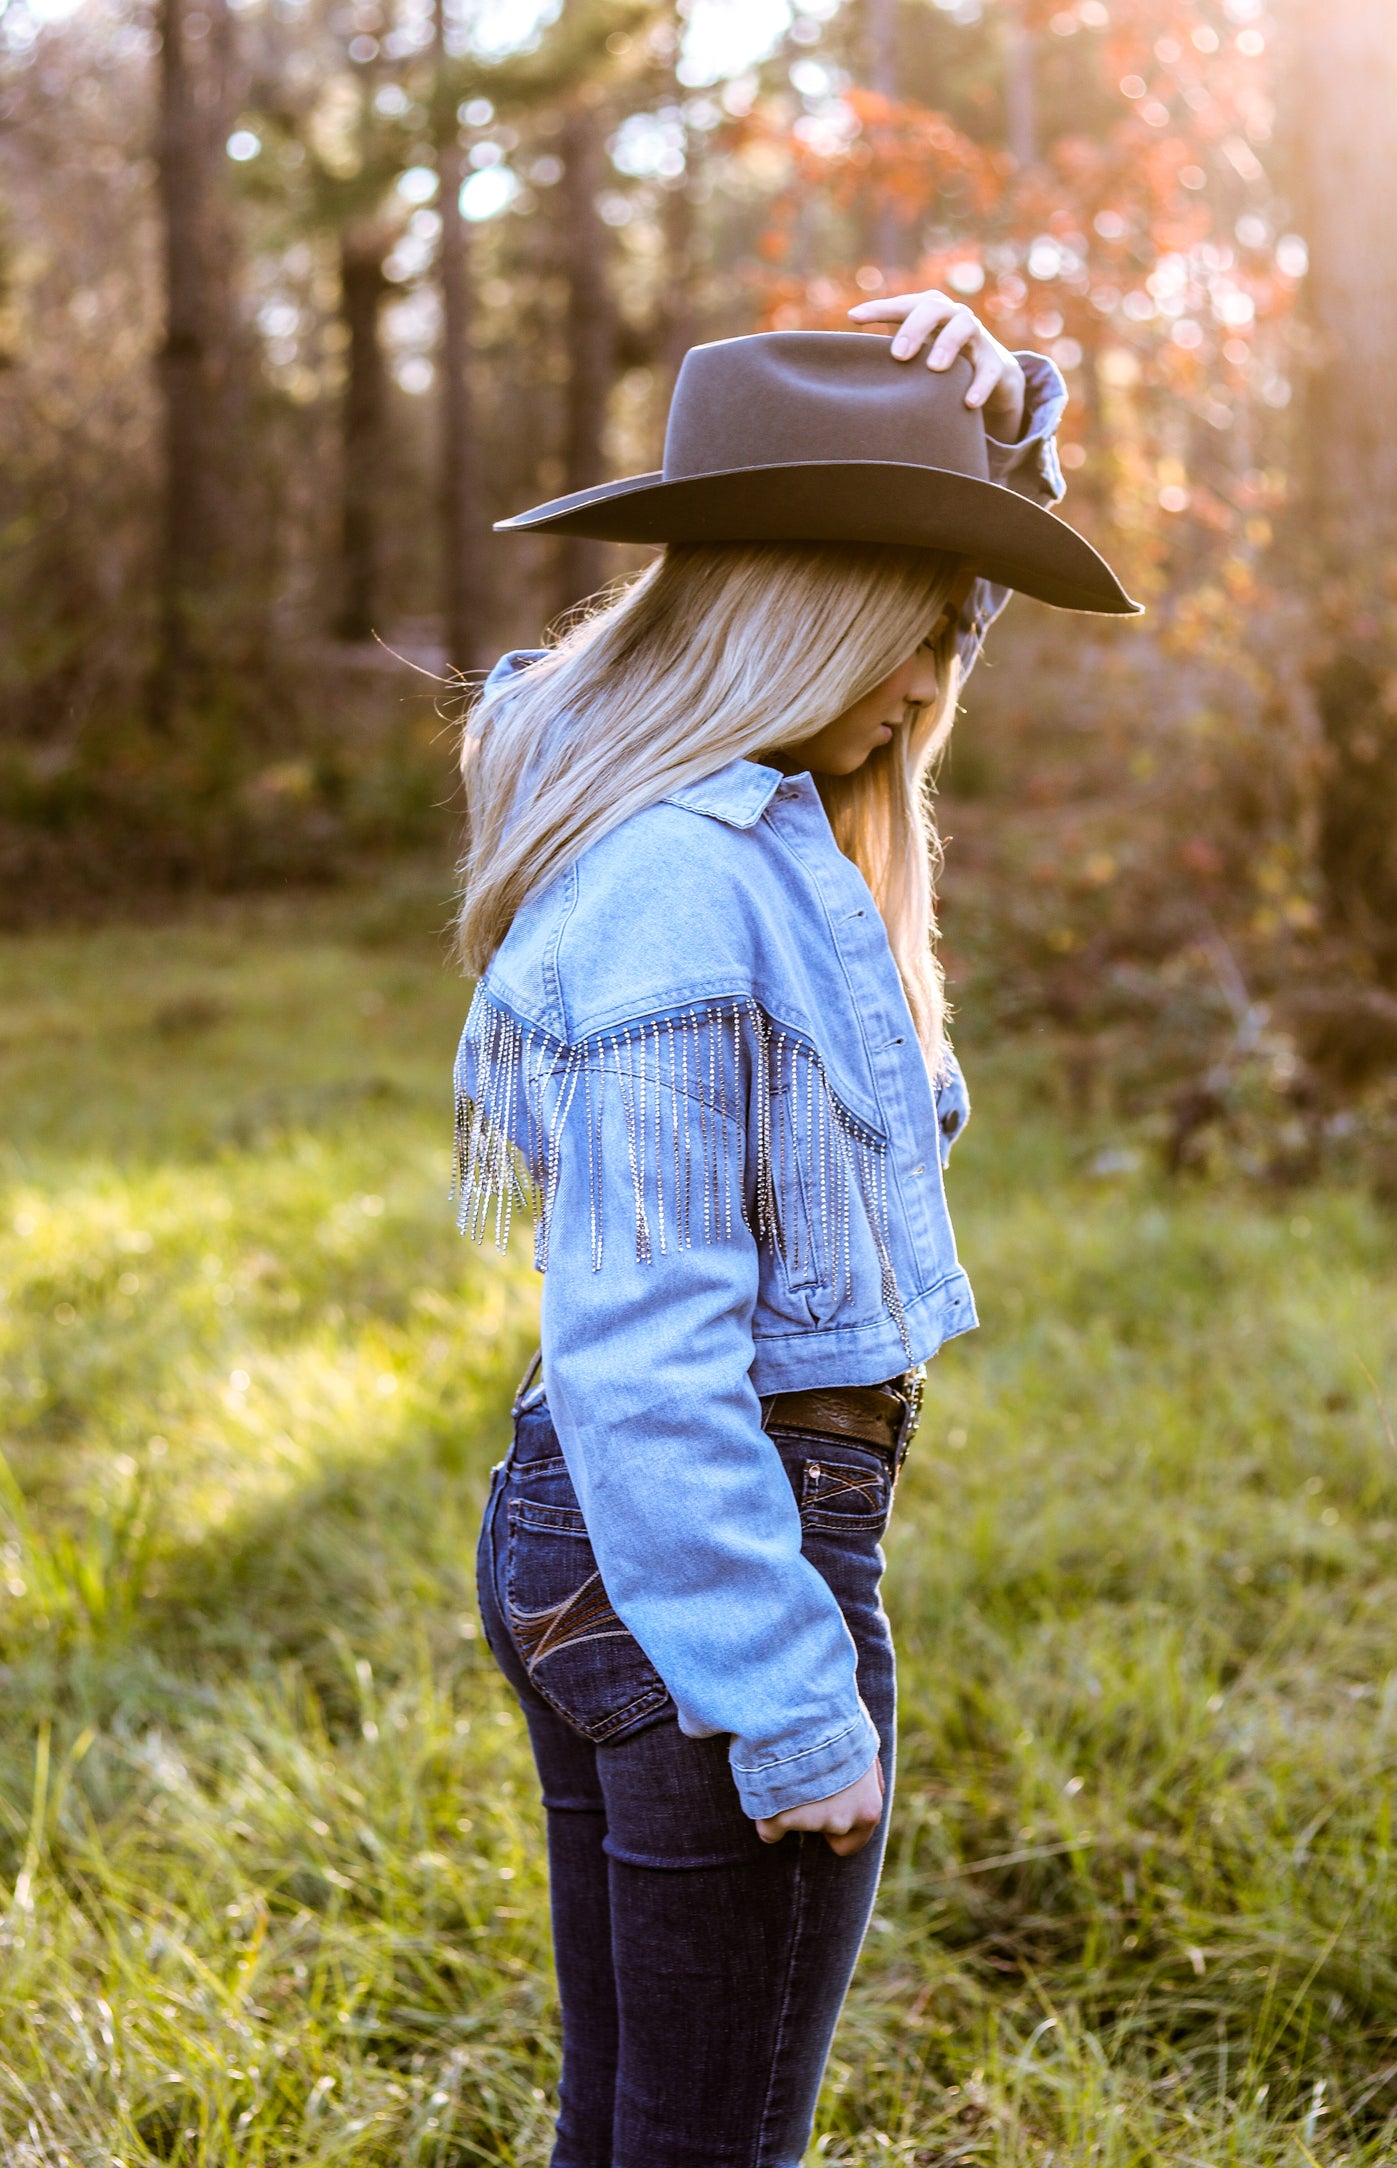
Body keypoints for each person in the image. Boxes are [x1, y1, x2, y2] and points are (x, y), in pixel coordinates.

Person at [454, 286, 1138, 2168]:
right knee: (710, 2142)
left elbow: (912, 645)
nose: (934, 691)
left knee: (636, 2123)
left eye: (944, 639)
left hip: (602, 1541)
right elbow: (647, 1347)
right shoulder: (689, 887)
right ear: (804, 623)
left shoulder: (683, 802)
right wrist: (783, 1699)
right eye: (910, 640)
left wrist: (1001, 439)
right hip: (717, 1539)